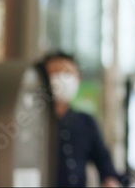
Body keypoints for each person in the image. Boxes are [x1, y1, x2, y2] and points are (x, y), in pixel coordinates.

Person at [40, 51, 123, 188]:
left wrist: (110, 180)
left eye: (67, 74)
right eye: (55, 74)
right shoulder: (31, 124)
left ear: (78, 79)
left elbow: (104, 163)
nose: (62, 80)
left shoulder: (86, 122)